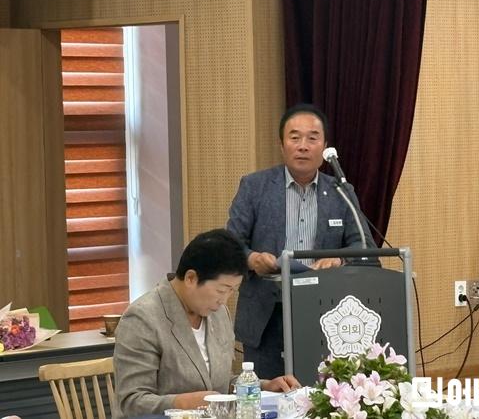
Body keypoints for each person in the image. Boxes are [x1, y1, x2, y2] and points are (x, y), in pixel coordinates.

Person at [227, 103, 376, 379]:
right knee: (268, 393)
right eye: (295, 137)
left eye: (312, 138)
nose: (303, 146)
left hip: (326, 311)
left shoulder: (342, 191)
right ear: (282, 145)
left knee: (322, 393)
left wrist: (339, 258)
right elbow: (230, 244)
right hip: (267, 314)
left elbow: (365, 247)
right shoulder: (254, 187)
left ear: (325, 146)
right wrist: (252, 259)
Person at [113, 229, 300, 419]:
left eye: (232, 291)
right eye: (221, 290)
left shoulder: (218, 314)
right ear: (191, 278)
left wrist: (262, 386)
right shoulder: (143, 318)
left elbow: (218, 383)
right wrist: (181, 403)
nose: (224, 300)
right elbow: (131, 402)